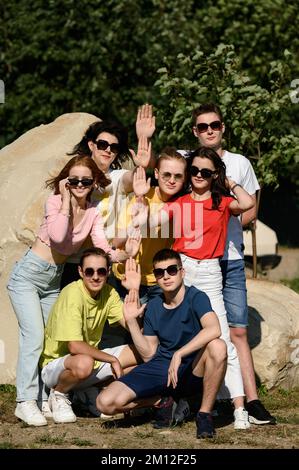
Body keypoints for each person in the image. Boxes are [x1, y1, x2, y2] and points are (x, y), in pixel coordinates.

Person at [7, 155, 139, 427]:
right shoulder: (55, 202)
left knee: (48, 343)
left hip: (52, 280)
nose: (80, 184)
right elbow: (57, 236)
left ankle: (46, 399)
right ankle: (25, 401)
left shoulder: (92, 212)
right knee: (32, 337)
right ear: (66, 182)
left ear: (93, 184)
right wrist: (67, 201)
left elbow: (102, 246)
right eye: (74, 180)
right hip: (28, 276)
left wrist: (125, 254)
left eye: (85, 181)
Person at [133, 147, 254, 429]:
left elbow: (247, 203)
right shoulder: (180, 202)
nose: (199, 175)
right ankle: (172, 397)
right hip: (181, 270)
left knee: (222, 339)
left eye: (206, 171)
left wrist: (228, 182)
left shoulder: (223, 202)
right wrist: (141, 197)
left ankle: (239, 407)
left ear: (214, 175)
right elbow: (146, 223)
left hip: (210, 272)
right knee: (175, 335)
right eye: (195, 170)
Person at [190, 103, 276, 425]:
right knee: (201, 331)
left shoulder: (239, 163)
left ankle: (252, 401)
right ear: (195, 131)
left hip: (231, 258)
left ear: (223, 127)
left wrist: (224, 208)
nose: (209, 130)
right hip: (199, 258)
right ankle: (197, 399)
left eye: (214, 125)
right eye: (202, 126)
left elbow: (251, 210)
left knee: (238, 330)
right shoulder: (192, 163)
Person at [96, 249, 227, 439]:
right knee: (105, 403)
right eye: (159, 272)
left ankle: (204, 415)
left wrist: (179, 353)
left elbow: (214, 329)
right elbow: (149, 354)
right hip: (162, 369)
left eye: (172, 270)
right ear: (156, 278)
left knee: (218, 346)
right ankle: (161, 401)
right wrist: (132, 322)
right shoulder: (154, 305)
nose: (166, 276)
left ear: (182, 272)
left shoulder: (196, 297)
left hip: (192, 368)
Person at [40, 248, 141, 424]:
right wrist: (112, 359)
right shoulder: (72, 293)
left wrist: (134, 290)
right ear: (80, 272)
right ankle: (59, 394)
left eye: (101, 271)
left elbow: (135, 329)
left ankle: (93, 392)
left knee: (142, 352)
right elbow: (74, 346)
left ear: (108, 272)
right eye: (89, 271)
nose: (95, 277)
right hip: (57, 367)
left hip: (88, 363)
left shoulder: (109, 293)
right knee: (84, 362)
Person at [61, 106, 155, 287]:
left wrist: (142, 159)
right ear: (91, 145)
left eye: (114, 147)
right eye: (102, 144)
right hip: (73, 262)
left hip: (104, 263)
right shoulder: (75, 177)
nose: (108, 150)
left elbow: (133, 179)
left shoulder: (117, 177)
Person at [111, 147, 187, 303]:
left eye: (177, 176)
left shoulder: (183, 203)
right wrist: (138, 220)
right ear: (157, 174)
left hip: (159, 278)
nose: (172, 180)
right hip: (129, 274)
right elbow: (116, 242)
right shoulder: (143, 195)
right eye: (166, 174)